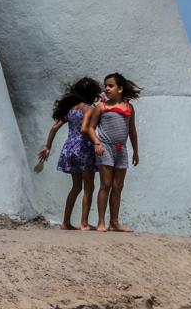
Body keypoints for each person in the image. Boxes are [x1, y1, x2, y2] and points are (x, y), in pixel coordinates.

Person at [37, 77, 103, 230]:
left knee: (76, 187)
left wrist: (48, 147)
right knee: (89, 188)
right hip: (83, 148)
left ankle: (65, 222)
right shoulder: (88, 109)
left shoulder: (72, 109)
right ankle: (84, 223)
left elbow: (54, 128)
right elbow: (84, 129)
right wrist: (96, 142)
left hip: (69, 149)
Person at [84, 72, 141, 232]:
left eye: (110, 86)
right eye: (105, 86)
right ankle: (101, 222)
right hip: (105, 148)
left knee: (118, 186)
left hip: (121, 149)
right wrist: (96, 143)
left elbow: (132, 131)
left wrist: (136, 151)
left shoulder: (129, 107)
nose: (106, 88)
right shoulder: (101, 107)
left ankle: (114, 222)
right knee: (106, 184)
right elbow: (90, 128)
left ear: (120, 89)